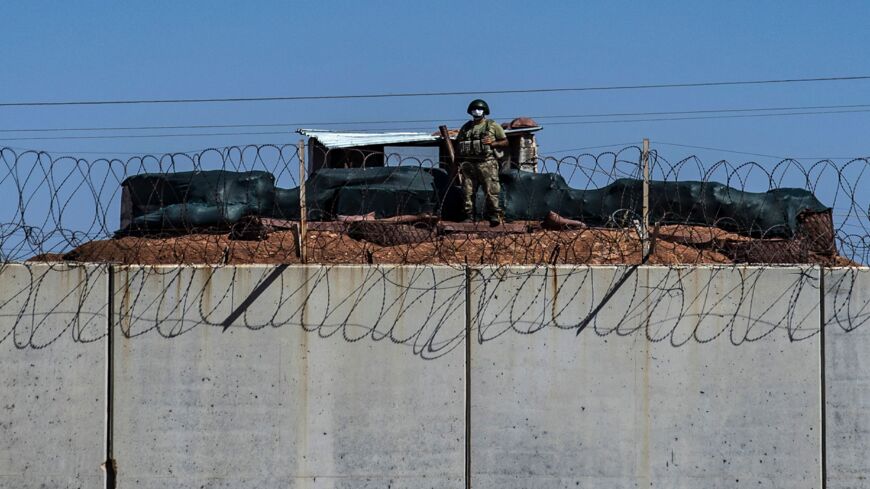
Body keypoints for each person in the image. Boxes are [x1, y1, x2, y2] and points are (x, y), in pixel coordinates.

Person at [455, 99, 508, 226]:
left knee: (491, 191)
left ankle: (494, 215)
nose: (476, 111)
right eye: (474, 109)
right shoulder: (466, 127)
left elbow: (505, 142)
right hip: (469, 164)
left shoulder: (492, 125)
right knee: (467, 191)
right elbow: (459, 143)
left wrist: (493, 143)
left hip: (487, 163)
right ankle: (469, 215)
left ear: (485, 111)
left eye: (479, 109)